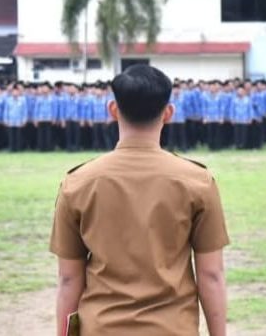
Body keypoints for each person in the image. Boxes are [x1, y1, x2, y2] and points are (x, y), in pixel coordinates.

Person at [49, 64, 229, 335]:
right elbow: (211, 275)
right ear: (168, 113)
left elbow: (68, 278)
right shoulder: (197, 182)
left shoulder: (78, 183)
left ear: (113, 109)